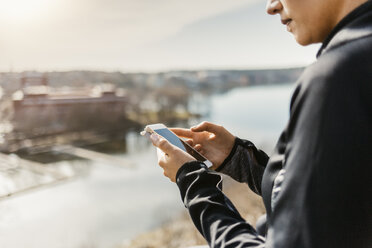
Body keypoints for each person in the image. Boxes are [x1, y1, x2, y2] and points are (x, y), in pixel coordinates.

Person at [149, 0, 372, 247]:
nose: (272, 6)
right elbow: (340, 202)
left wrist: (191, 181)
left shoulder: (337, 78)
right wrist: (239, 158)